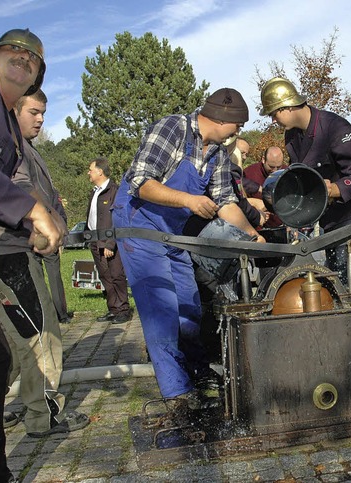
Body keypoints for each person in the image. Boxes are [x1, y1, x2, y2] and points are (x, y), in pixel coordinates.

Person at [111, 88, 265, 412]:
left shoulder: (219, 155)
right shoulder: (172, 129)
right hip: (139, 228)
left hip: (174, 234)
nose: (238, 132)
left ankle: (196, 373)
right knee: (161, 311)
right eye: (237, 125)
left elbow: (226, 203)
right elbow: (140, 181)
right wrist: (188, 200)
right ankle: (177, 393)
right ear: (223, 120)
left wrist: (252, 237)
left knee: (189, 306)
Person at [0, 28, 65, 482]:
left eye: (32, 57)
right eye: (13, 50)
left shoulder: (8, 127)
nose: (23, 57)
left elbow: (14, 183)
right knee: (25, 345)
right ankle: (39, 418)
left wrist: (44, 220)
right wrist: (30, 211)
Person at [259, 77, 351, 287]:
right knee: (339, 285)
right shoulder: (291, 136)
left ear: (287, 107)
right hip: (332, 222)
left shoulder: (335, 126)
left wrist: (332, 189)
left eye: (274, 113)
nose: (273, 120)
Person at [14, 89, 71, 324]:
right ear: (14, 111)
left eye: (43, 114)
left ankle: (58, 315)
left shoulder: (29, 147)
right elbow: (20, 189)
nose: (41, 119)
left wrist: (60, 221)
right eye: (34, 112)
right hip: (24, 244)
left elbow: (50, 195)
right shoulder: (12, 147)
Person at [86, 157, 131, 323]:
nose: (88, 173)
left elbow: (116, 218)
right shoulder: (95, 191)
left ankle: (123, 310)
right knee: (105, 275)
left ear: (100, 171)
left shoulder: (114, 191)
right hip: (94, 240)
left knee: (116, 275)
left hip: (109, 241)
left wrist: (110, 243)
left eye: (91, 169)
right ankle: (113, 308)